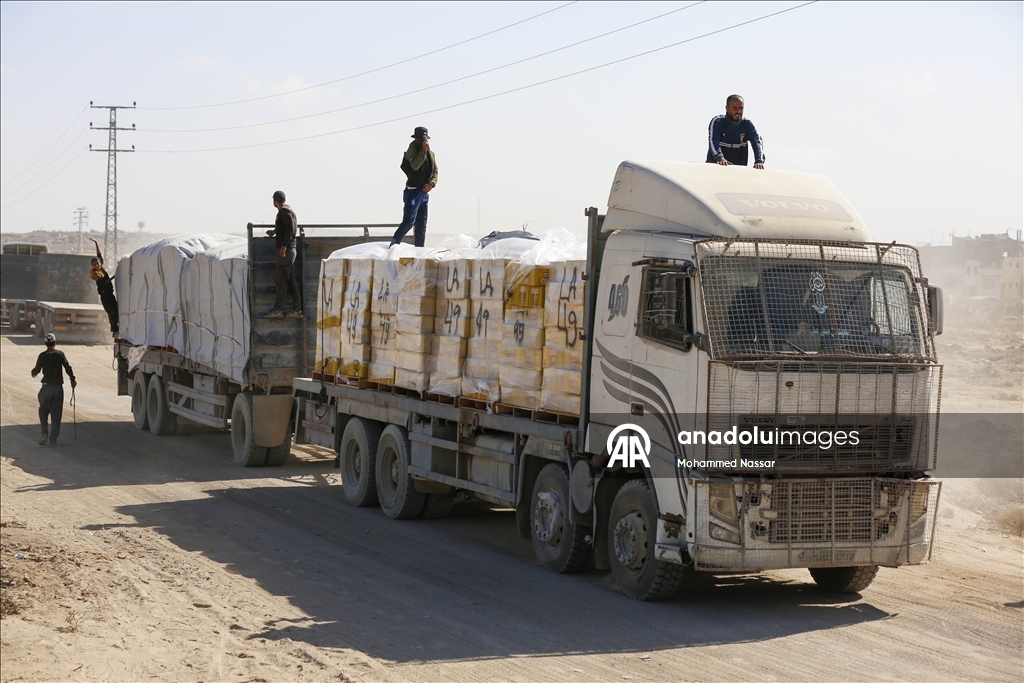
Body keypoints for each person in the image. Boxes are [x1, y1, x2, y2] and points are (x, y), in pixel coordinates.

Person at [390, 126, 438, 248]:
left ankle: (419, 252)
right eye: (421, 139)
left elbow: (435, 171)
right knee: (408, 222)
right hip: (413, 191)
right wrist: (423, 151)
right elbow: (415, 166)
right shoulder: (412, 150)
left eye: (424, 139)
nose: (423, 141)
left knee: (421, 226)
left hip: (424, 193)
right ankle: (393, 245)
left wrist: (431, 184)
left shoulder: (431, 154)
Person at [31, 333, 76, 447]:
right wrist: (72, 379)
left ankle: (44, 433)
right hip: (57, 388)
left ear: (45, 343)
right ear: (55, 343)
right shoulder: (60, 354)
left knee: (43, 411)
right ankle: (53, 440)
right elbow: (67, 367)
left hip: (46, 388)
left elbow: (36, 370)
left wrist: (33, 372)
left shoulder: (42, 355)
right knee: (56, 415)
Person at [264, 190, 302, 318]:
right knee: (291, 281)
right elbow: (286, 227)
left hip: (286, 251)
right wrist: (275, 231)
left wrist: (284, 246)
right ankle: (297, 309)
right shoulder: (288, 211)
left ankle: (277, 310)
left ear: (275, 201)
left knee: (281, 281)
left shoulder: (284, 212)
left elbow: (291, 229)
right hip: (290, 250)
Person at [706, 95, 765, 169]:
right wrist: (719, 157)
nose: (738, 111)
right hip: (716, 167)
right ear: (727, 108)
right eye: (735, 108)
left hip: (737, 170)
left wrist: (759, 161)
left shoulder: (747, 124)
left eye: (741, 108)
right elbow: (713, 140)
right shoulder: (718, 122)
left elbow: (757, 141)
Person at [88, 238, 119, 336]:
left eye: (98, 263)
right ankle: (114, 330)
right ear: (92, 266)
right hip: (105, 296)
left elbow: (99, 255)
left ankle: (117, 327)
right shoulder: (95, 273)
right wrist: (114, 277)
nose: (97, 265)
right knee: (111, 312)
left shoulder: (101, 269)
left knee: (116, 310)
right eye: (94, 264)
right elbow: (103, 282)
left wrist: (96, 243)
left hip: (110, 293)